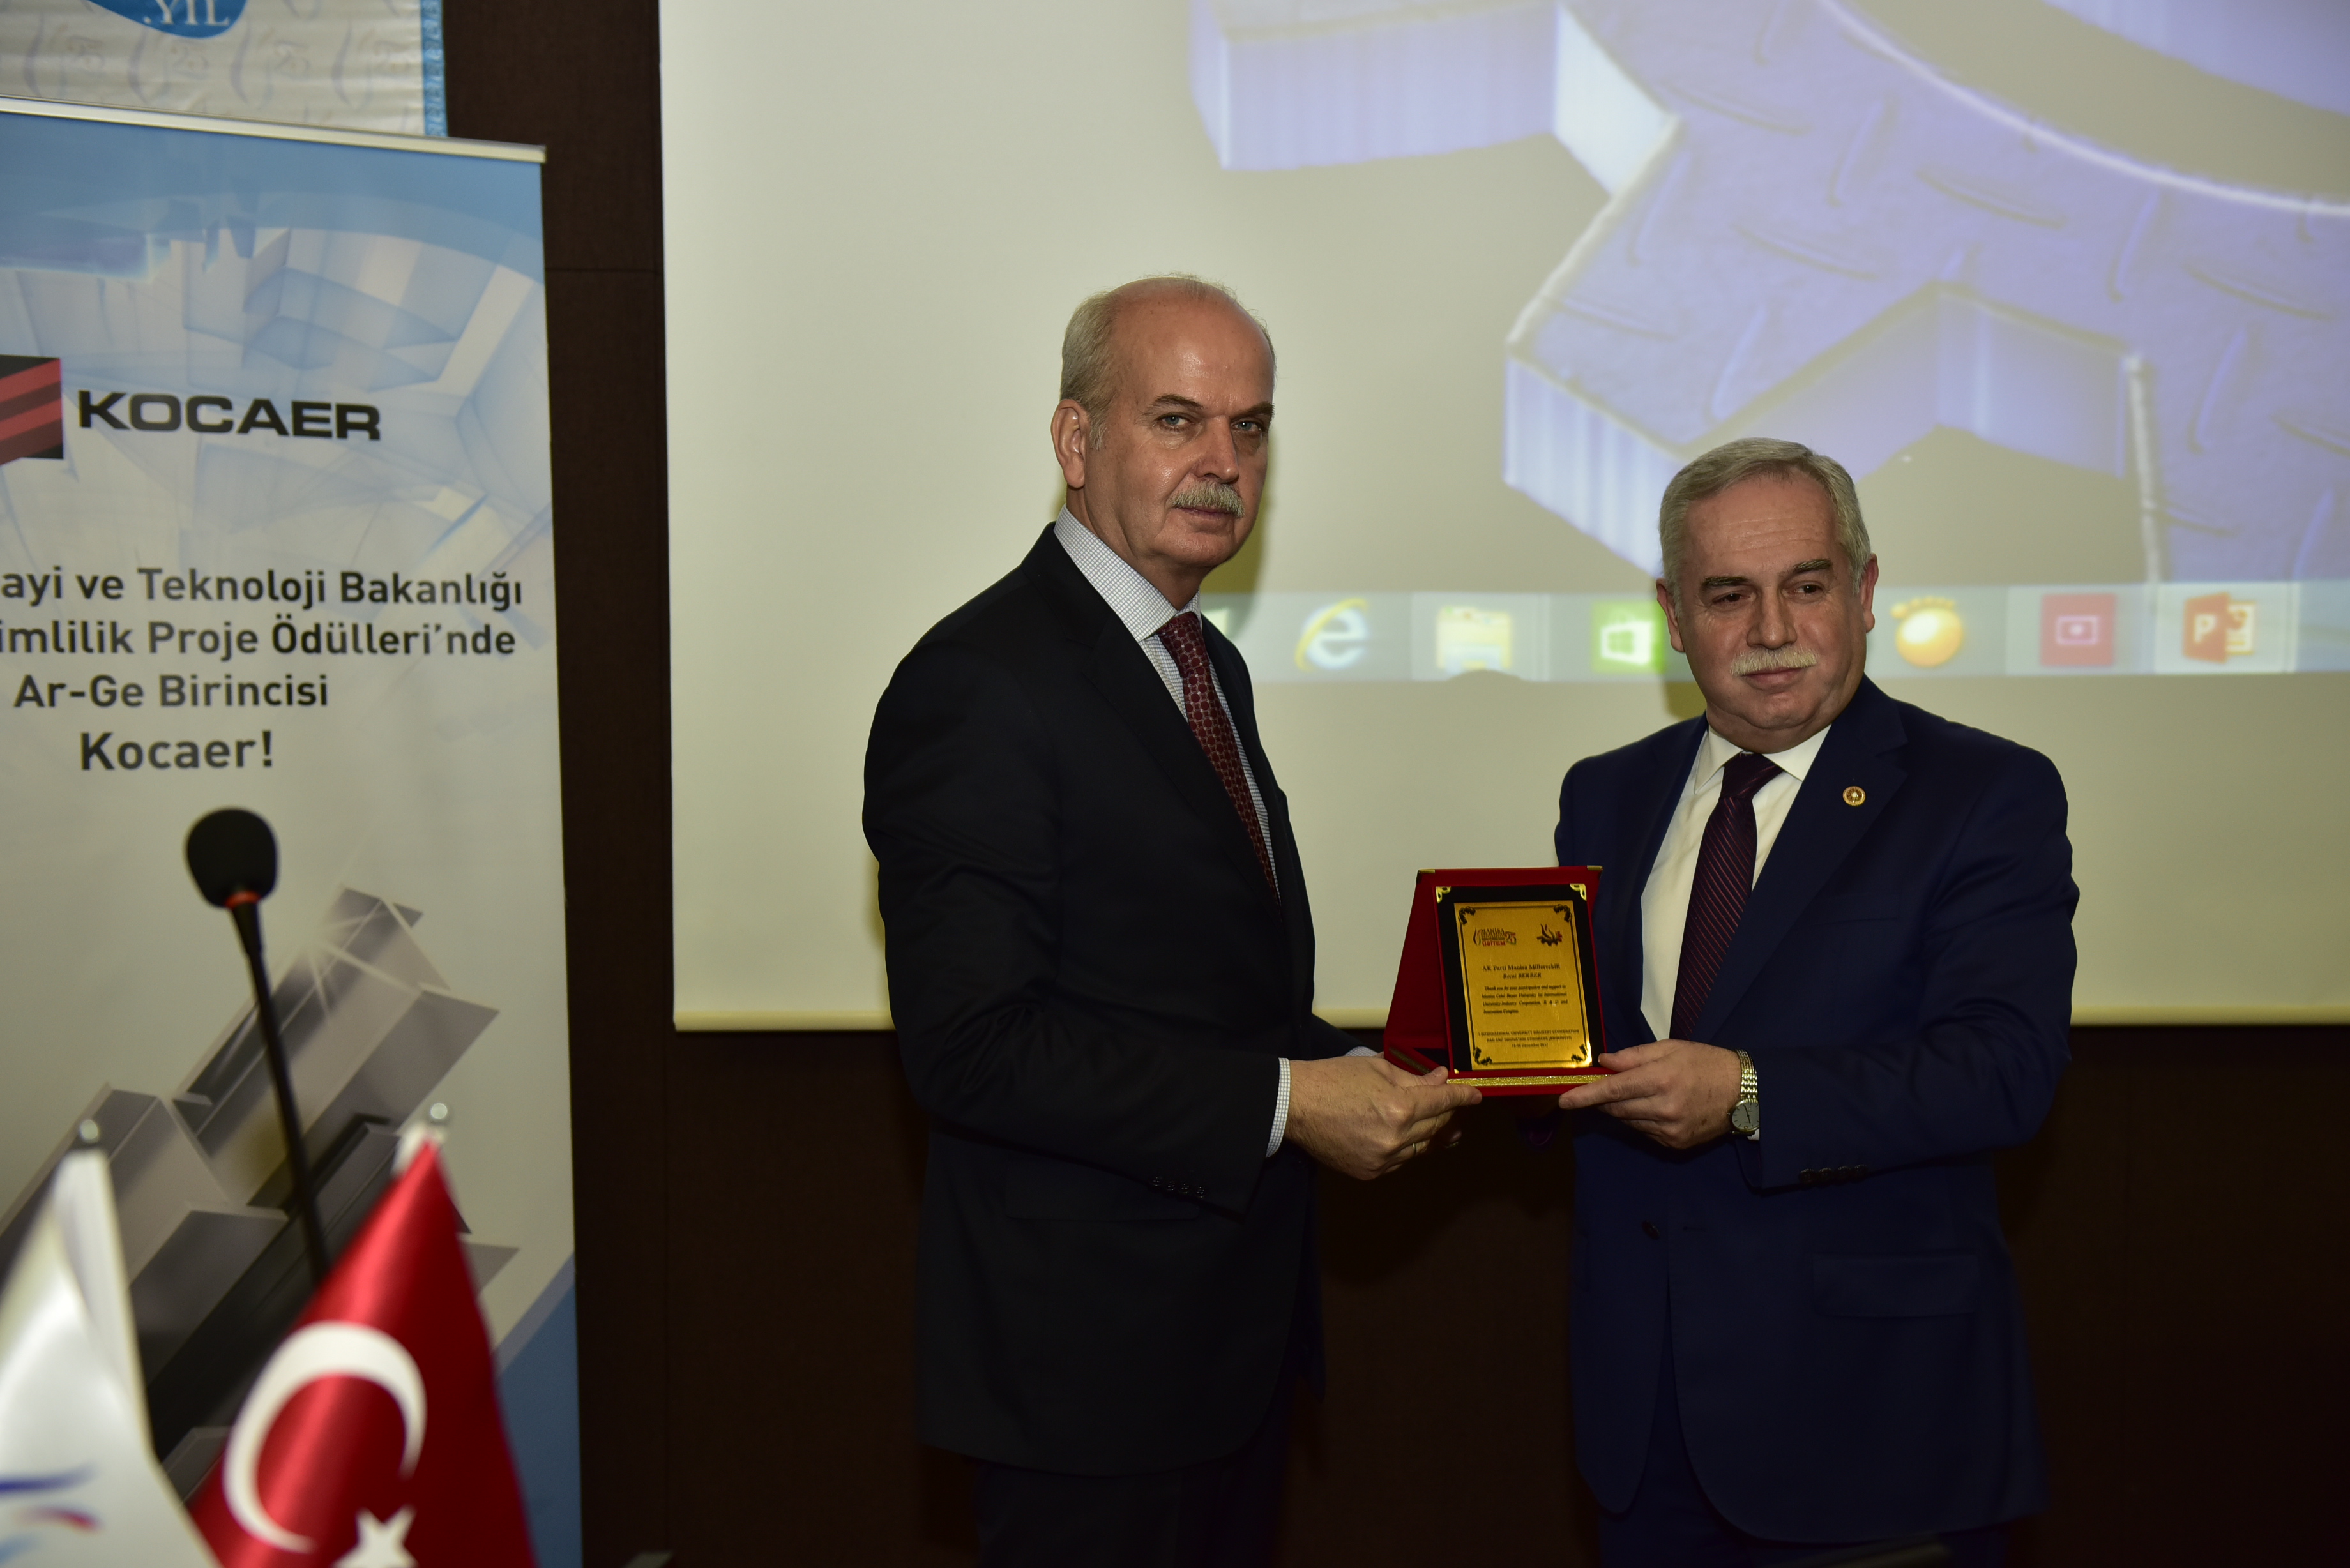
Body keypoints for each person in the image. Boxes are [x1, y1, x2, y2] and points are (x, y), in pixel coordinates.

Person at [863, 275, 1480, 1568]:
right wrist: (1291, 1102)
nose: (1223, 462)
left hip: (1221, 1355)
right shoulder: (979, 681)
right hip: (1084, 1384)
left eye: (1250, 428)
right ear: (1075, 440)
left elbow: (1203, 987)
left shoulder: (1203, 660)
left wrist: (1383, 1066)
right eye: (1177, 420)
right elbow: (972, 1047)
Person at [1549, 437, 2075, 1565]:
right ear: (1673, 615)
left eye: (1807, 585)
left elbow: (2004, 1071)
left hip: (1873, 1423)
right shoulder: (1606, 794)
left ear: (1866, 591)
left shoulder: (1984, 793)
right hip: (1644, 1424)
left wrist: (1748, 1093)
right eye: (1728, 595)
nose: (1772, 629)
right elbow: (1585, 1047)